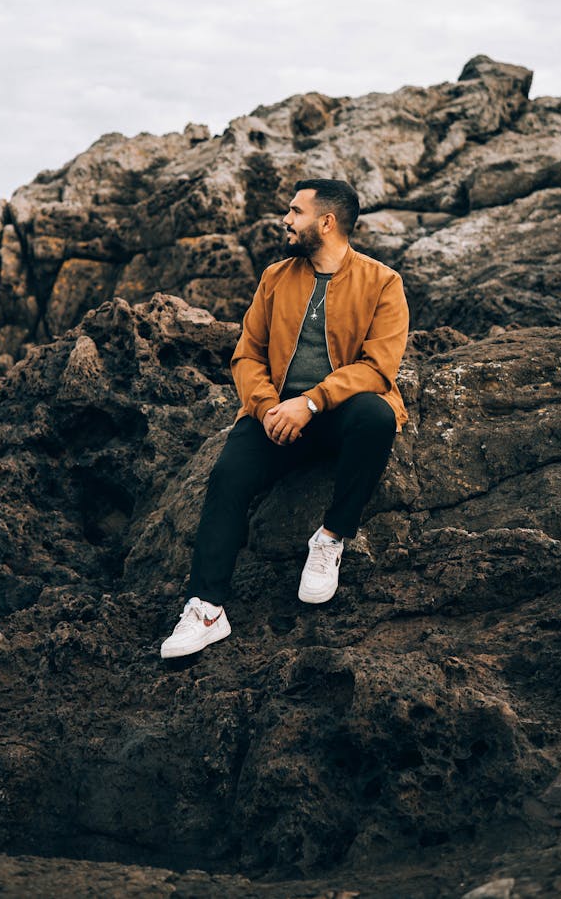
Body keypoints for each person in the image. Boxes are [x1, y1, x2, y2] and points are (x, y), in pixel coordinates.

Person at [160, 178, 409, 658]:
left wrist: (311, 402)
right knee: (229, 476)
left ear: (327, 222)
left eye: (295, 212)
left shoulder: (383, 282)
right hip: (275, 414)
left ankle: (331, 538)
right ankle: (207, 609)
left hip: (336, 413)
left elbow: (379, 368)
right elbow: (246, 355)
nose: (286, 220)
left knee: (376, 418)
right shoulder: (275, 277)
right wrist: (267, 407)